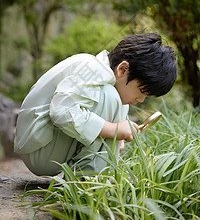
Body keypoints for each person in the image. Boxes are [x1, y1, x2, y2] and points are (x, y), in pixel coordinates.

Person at [14, 33, 177, 176]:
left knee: (118, 101)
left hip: (49, 148)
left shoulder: (111, 85)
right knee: (111, 96)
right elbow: (61, 111)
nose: (141, 99)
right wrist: (113, 130)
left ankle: (96, 177)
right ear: (122, 69)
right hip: (40, 148)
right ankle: (89, 183)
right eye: (141, 91)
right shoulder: (92, 69)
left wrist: (115, 140)